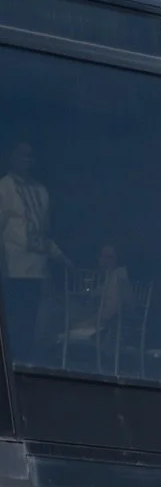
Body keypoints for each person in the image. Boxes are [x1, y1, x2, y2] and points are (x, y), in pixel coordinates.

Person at [0, 139, 62, 365]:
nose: (26, 160)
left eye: (30, 156)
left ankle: (24, 367)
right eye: (21, 155)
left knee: (31, 322)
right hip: (12, 268)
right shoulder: (3, 188)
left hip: (37, 269)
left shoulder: (41, 190)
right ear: (11, 158)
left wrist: (57, 258)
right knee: (13, 322)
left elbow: (43, 231)